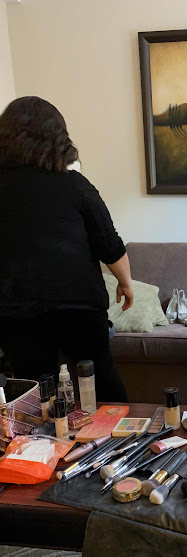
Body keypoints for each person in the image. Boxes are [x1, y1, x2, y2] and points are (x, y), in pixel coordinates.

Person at [0, 96, 133, 401]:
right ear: (58, 138)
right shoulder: (75, 185)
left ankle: (43, 434)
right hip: (79, 304)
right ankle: (120, 431)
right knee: (101, 375)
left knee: (33, 389)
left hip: (15, 307)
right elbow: (109, 244)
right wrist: (125, 283)